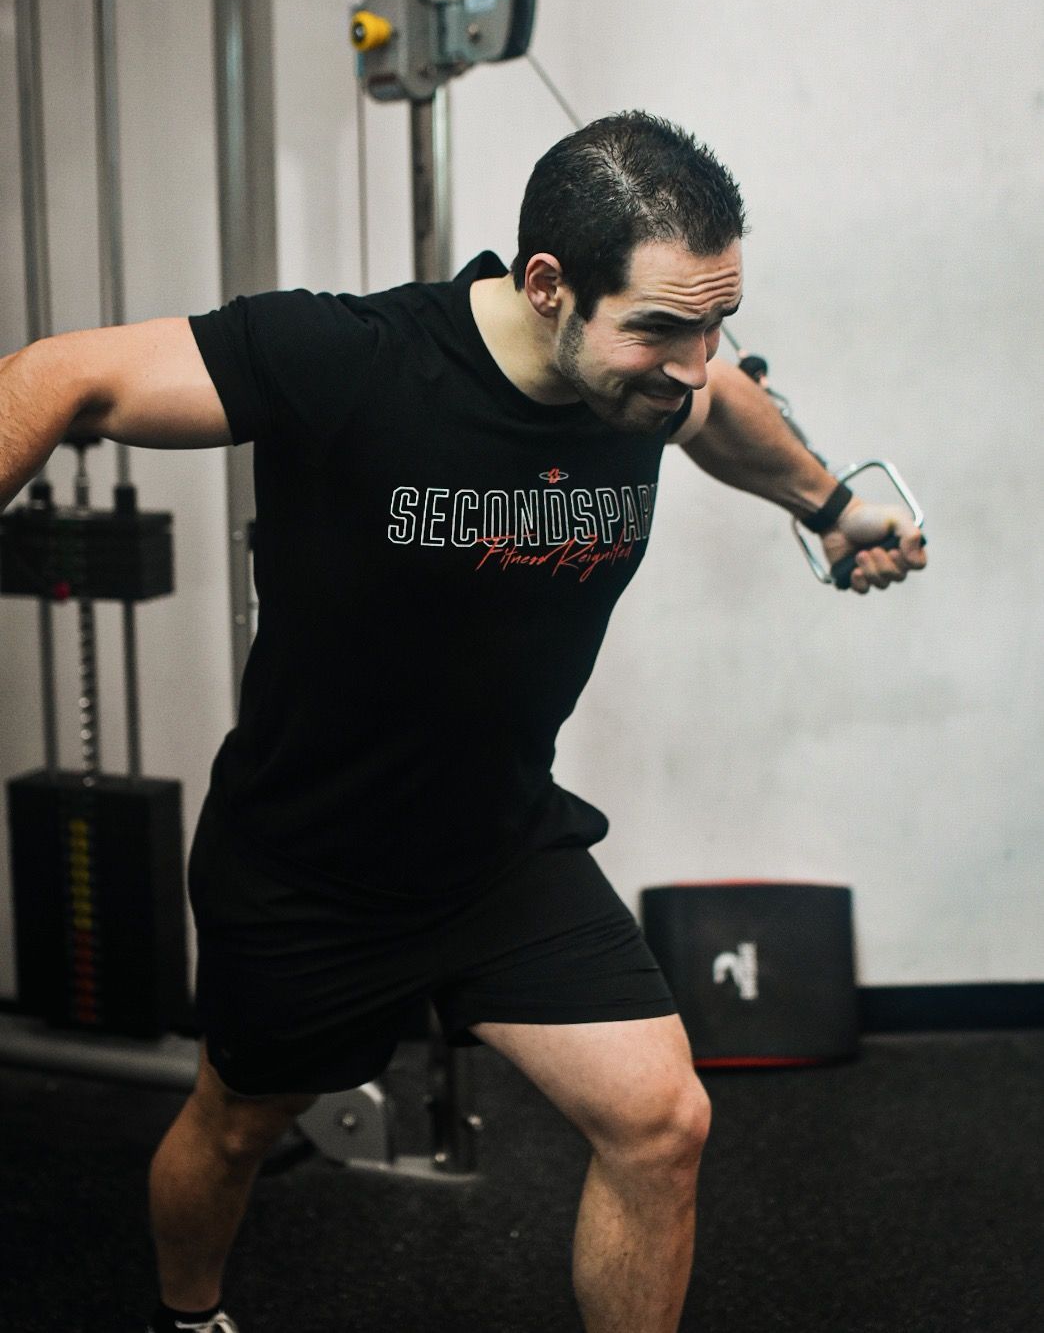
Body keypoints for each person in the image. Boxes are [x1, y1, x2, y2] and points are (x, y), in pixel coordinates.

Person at [0, 111, 926, 1333]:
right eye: (662, 326)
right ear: (548, 287)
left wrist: (827, 506)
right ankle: (190, 1318)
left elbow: (727, 413)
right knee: (231, 1130)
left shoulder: (650, 387)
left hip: (499, 854)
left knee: (662, 1122)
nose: (695, 361)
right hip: (307, 866)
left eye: (717, 322)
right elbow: (63, 376)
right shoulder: (349, 357)